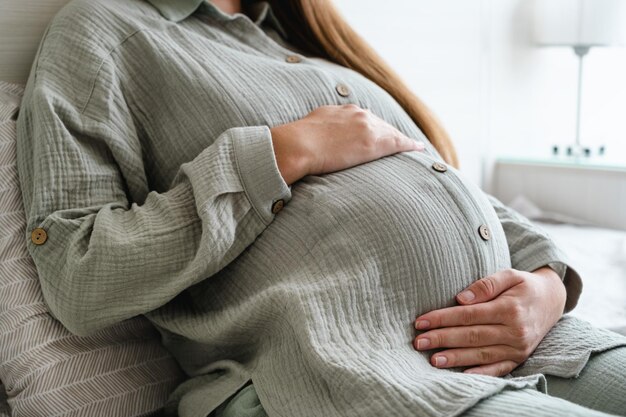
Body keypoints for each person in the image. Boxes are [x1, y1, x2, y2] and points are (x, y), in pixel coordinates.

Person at [15, 0, 626, 416]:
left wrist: (547, 285)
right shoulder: (101, 33)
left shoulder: (305, 41)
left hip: (535, 341)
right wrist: (280, 153)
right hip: (345, 370)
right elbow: (78, 274)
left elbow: (444, 179)